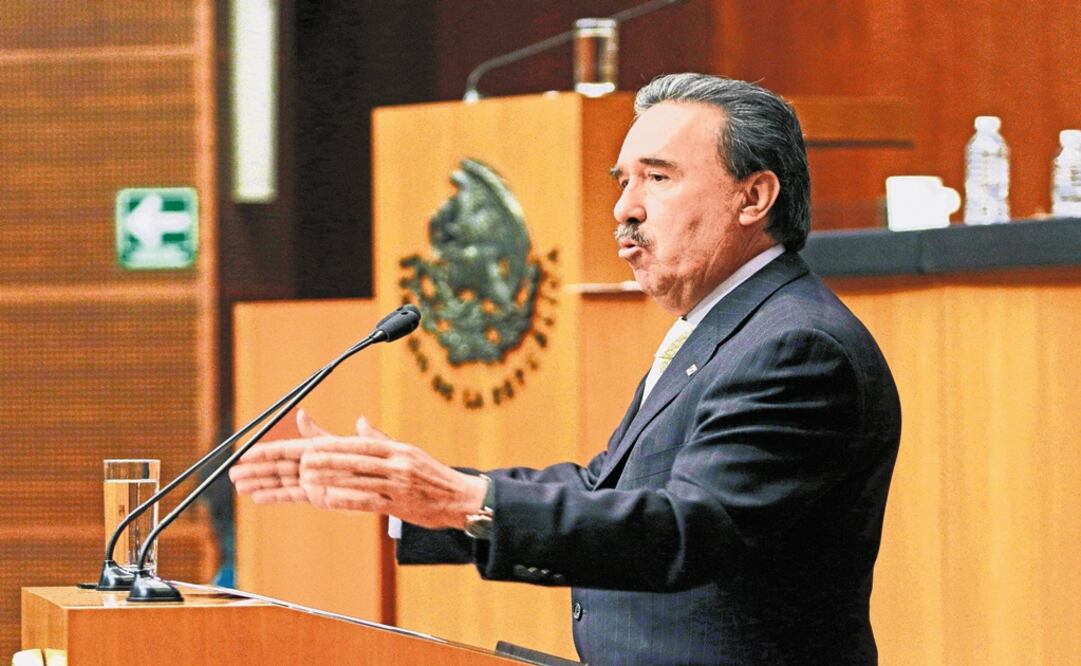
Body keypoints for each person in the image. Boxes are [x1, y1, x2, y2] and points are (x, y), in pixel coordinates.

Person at [230, 73, 901, 665]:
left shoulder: (794, 346)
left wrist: (466, 502)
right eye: (623, 181)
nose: (624, 208)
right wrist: (421, 499)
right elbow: (603, 488)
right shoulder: (730, 328)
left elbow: (686, 530)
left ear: (752, 197)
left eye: (657, 177)